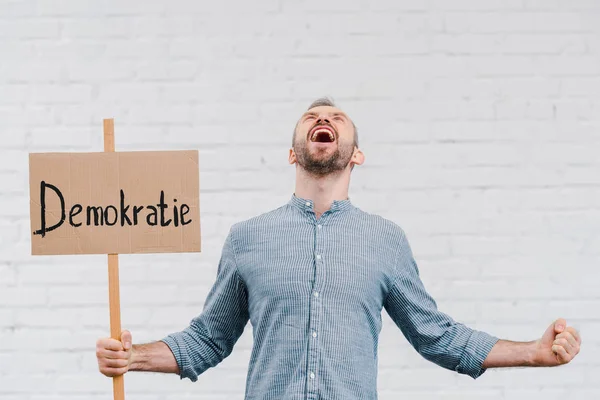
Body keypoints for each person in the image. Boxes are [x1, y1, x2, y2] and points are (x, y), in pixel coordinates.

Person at [96, 98, 581, 399]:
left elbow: (437, 337)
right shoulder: (247, 237)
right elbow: (208, 341)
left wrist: (535, 354)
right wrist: (131, 357)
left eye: (335, 117)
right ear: (292, 153)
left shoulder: (386, 240)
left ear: (357, 154)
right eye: (312, 116)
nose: (323, 118)